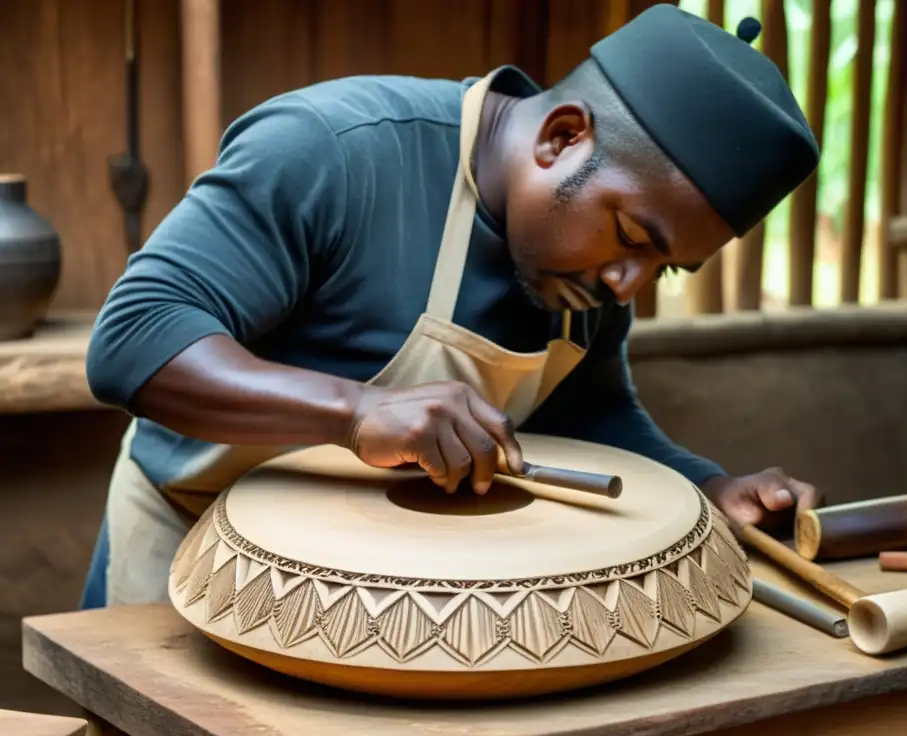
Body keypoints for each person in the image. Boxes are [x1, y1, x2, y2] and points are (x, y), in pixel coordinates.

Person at [80, 4, 823, 610]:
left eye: (666, 267)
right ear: (563, 139)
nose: (628, 284)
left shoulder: (586, 274)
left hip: (387, 586)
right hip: (193, 551)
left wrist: (708, 487)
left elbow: (589, 412)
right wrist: (354, 412)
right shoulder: (336, 151)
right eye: (633, 236)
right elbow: (133, 342)